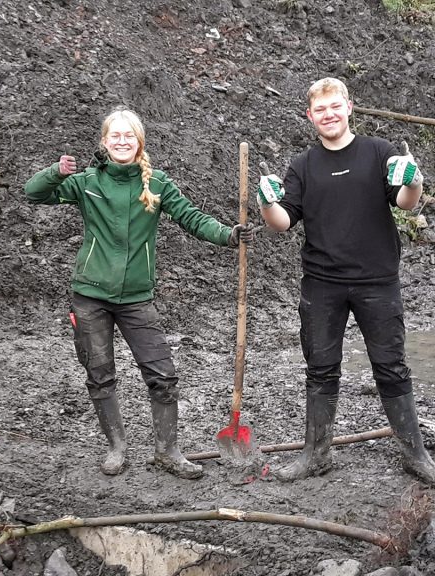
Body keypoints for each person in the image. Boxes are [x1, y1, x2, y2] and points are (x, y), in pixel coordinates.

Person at [24, 108, 255, 479]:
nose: (122, 141)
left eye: (128, 135)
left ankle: (167, 451)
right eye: (115, 136)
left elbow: (192, 218)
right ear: (104, 141)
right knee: (100, 374)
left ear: (139, 142)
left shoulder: (157, 183)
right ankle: (116, 447)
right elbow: (33, 193)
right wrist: (56, 172)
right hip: (90, 296)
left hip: (136, 298)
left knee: (162, 374)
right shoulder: (86, 182)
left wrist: (228, 235)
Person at [256, 78, 435, 487]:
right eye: (320, 109)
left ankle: (416, 455)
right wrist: (266, 203)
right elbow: (283, 223)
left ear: (349, 107)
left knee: (391, 367)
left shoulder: (378, 152)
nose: (328, 114)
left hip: (377, 281)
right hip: (322, 284)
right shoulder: (302, 165)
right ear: (310, 116)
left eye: (335, 106)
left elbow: (406, 202)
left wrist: (414, 180)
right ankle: (316, 454)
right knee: (320, 368)